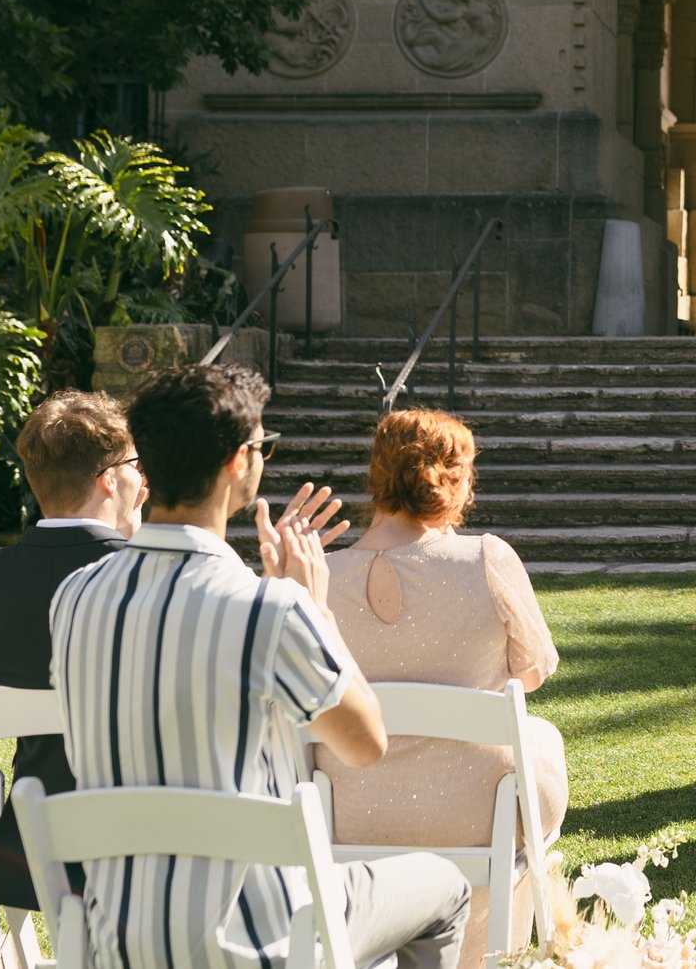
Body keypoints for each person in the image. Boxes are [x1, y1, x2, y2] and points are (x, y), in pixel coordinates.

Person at [49, 365, 469, 969]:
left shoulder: (75, 596)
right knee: (444, 886)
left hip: (120, 938)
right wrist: (315, 606)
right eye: (262, 446)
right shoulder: (270, 610)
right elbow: (365, 742)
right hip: (265, 939)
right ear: (235, 462)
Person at [322, 407, 565, 968]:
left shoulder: (321, 577)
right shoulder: (486, 559)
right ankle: (491, 953)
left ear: (377, 477)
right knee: (541, 742)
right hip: (476, 813)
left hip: (349, 811)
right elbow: (531, 673)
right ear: (454, 480)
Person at [0, 391, 144, 915]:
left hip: (32, 836)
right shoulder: (150, 579)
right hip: (146, 838)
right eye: (135, 464)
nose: (142, 479)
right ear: (110, 478)